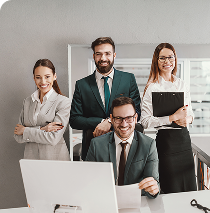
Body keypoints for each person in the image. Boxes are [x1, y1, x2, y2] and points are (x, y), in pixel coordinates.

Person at [69, 37, 141, 160]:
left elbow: (137, 113)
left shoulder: (128, 79)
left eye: (107, 53)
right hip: (93, 148)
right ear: (93, 56)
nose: (103, 58)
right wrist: (100, 122)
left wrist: (109, 122)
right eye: (99, 54)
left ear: (114, 55)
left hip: (125, 148)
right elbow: (74, 120)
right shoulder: (82, 85)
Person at [140, 43, 197, 194]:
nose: (167, 61)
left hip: (184, 141)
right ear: (156, 61)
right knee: (171, 188)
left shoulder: (182, 84)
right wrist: (171, 118)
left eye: (170, 57)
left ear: (175, 59)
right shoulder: (152, 87)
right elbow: (145, 121)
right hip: (166, 143)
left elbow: (190, 112)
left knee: (189, 187)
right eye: (162, 58)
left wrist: (188, 119)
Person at [86, 97, 159, 198]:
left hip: (136, 202)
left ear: (135, 118)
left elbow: (153, 183)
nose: (124, 124)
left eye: (129, 118)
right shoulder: (96, 145)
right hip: (106, 200)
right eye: (118, 118)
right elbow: (88, 182)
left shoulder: (149, 145)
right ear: (111, 119)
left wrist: (153, 190)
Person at [14, 59, 71, 161]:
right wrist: (43, 129)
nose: (43, 82)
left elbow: (53, 138)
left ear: (55, 76)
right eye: (38, 77)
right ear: (34, 78)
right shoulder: (27, 102)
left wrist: (26, 131)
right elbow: (18, 136)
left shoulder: (63, 102)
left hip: (55, 159)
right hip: (31, 159)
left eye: (47, 77)